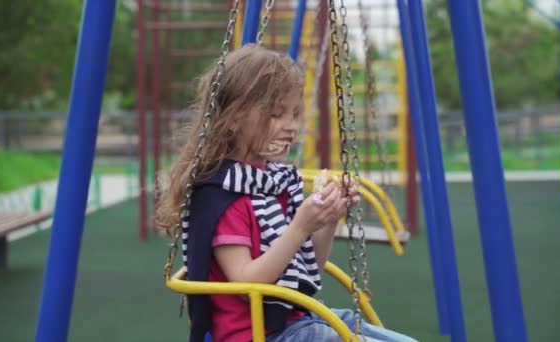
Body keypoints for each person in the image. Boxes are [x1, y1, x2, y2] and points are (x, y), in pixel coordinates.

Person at [157, 44, 417, 342]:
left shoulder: (273, 183)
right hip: (258, 334)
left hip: (295, 322)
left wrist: (328, 218)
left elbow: (308, 268)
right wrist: (300, 226)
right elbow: (246, 283)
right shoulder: (223, 196)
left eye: (295, 114)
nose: (291, 126)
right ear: (233, 117)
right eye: (276, 114)